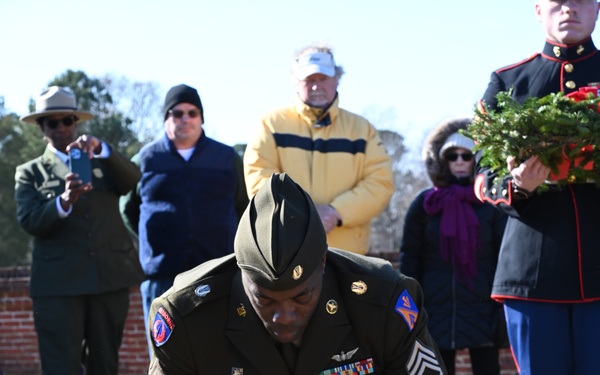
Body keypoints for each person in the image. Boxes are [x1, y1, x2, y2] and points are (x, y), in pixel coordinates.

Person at [148, 173, 447, 374]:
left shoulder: (383, 304)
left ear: (323, 264)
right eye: (264, 299)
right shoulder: (188, 319)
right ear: (242, 277)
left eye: (302, 296)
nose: (284, 316)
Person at [474, 1, 600, 374]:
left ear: (596, 8)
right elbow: (483, 176)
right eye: (558, 2)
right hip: (534, 274)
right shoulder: (507, 81)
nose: (569, 9)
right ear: (539, 10)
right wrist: (516, 185)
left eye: (580, 0)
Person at [14, 86, 145, 374]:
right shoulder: (30, 172)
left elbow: (133, 180)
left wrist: (102, 149)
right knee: (61, 366)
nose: (62, 127)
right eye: (52, 122)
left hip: (107, 280)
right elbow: (30, 221)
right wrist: (64, 201)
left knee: (105, 364)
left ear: (77, 122)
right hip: (58, 286)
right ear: (41, 127)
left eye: (68, 120)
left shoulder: (101, 160)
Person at [120, 83, 249, 357]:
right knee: (165, 355)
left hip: (218, 271)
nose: (185, 119)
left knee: (218, 354)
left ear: (201, 118)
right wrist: (153, 239)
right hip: (163, 276)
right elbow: (128, 208)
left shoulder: (226, 158)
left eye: (192, 112)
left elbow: (242, 205)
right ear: (166, 118)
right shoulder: (145, 159)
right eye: (177, 113)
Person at [243, 44, 394, 255]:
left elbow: (380, 183)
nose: (317, 86)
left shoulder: (362, 129)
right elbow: (259, 178)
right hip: (287, 254)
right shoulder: (270, 124)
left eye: (323, 79)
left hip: (348, 257)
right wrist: (304, 215)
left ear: (337, 78)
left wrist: (336, 212)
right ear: (296, 81)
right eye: (309, 80)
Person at [400, 118, 507, 375]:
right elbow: (410, 259)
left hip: (482, 307)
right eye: (452, 156)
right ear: (442, 161)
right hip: (435, 308)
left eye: (466, 155)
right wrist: (410, 305)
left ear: (477, 159)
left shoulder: (492, 204)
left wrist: (501, 309)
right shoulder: (426, 205)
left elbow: (503, 259)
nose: (459, 161)